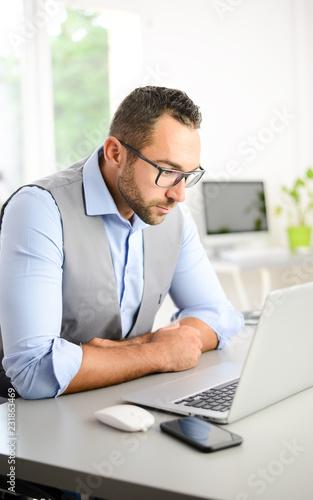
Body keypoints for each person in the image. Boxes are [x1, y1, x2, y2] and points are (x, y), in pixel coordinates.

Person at [0, 86, 243, 399]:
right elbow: (33, 370)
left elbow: (220, 316)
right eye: (167, 171)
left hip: (126, 397)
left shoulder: (171, 215)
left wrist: (133, 349)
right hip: (35, 421)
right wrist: (158, 353)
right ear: (115, 153)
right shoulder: (38, 208)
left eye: (187, 175)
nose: (179, 194)